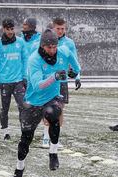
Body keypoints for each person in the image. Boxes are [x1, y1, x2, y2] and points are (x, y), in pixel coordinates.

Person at [12, 29, 80, 177]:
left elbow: (75, 65)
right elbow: (38, 86)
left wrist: (74, 72)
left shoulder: (63, 51)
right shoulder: (34, 60)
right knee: (25, 139)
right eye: (49, 47)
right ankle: (19, 168)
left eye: (54, 46)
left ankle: (53, 153)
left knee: (54, 114)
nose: (52, 50)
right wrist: (55, 76)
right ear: (42, 46)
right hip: (33, 102)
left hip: (52, 98)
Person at [40, 17, 81, 148]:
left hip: (62, 81)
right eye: (58, 28)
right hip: (49, 79)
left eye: (63, 28)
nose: (60, 31)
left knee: (60, 110)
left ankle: (55, 138)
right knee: (47, 108)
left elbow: (75, 61)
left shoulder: (69, 43)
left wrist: (77, 76)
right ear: (53, 28)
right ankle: (46, 137)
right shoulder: (46, 41)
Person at [0, 18, 28, 140]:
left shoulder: (20, 42)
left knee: (23, 106)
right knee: (5, 107)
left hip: (18, 81)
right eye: (8, 29)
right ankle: (5, 132)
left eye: (12, 29)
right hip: (4, 82)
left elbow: (25, 60)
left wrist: (25, 77)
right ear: (3, 29)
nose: (11, 31)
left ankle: (24, 130)